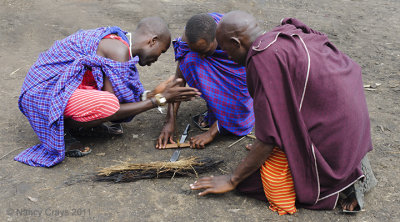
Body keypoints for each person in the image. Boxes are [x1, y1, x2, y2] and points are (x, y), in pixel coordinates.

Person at [190, 11, 377, 214]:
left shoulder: (263, 60)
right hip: (354, 119)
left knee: (253, 183)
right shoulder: (282, 35)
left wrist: (232, 179)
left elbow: (267, 140)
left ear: (236, 43)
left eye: (227, 51)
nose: (228, 57)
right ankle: (352, 160)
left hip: (336, 133)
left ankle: (345, 178)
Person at [15, 17, 200, 167]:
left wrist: (152, 94)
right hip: (42, 95)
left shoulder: (119, 44)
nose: (158, 58)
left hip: (48, 91)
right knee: (108, 104)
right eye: (162, 50)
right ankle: (63, 132)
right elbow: (115, 108)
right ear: (152, 41)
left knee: (109, 101)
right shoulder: (118, 50)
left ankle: (80, 125)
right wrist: (159, 99)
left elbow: (122, 97)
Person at [156, 13, 254, 149]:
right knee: (189, 60)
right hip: (220, 61)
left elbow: (251, 75)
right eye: (197, 51)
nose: (202, 56)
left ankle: (222, 118)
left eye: (205, 51)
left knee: (239, 115)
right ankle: (217, 106)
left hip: (241, 71)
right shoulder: (189, 39)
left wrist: (212, 132)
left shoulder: (236, 37)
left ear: (217, 38)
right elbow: (179, 78)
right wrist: (170, 119)